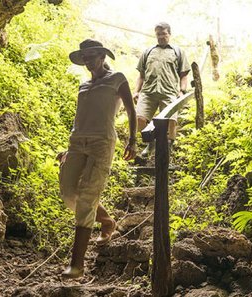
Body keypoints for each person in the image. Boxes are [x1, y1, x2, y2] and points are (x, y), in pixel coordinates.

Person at [58, 39, 137, 279]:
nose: (88, 61)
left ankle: (77, 265)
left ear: (103, 56)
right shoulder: (84, 85)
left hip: (102, 142)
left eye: (92, 56)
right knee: (68, 191)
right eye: (85, 57)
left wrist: (132, 140)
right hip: (77, 142)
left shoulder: (117, 78)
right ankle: (106, 221)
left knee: (88, 196)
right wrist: (67, 149)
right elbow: (80, 116)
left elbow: (131, 109)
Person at [133, 22, 190, 158]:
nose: (161, 37)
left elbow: (184, 74)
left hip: (169, 92)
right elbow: (141, 75)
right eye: (158, 34)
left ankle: (168, 146)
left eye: (164, 34)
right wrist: (136, 91)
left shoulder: (177, 51)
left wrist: (182, 90)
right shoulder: (148, 51)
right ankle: (150, 143)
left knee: (171, 121)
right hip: (148, 92)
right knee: (139, 118)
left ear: (169, 34)